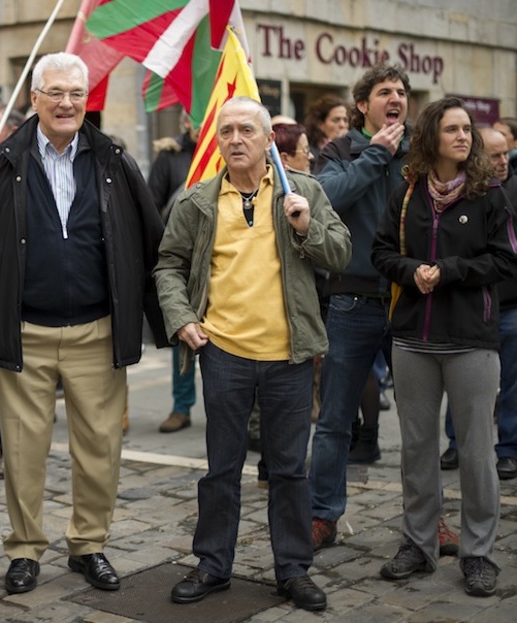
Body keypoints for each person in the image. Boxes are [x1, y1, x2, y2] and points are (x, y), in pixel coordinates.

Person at [0, 52, 168, 596]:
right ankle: (24, 550)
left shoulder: (114, 158)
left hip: (97, 330)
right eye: (56, 92)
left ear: (88, 99)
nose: (67, 103)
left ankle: (89, 544)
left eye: (77, 94)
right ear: (34, 98)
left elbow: (149, 240)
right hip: (23, 334)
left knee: (100, 447)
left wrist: (164, 317)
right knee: (20, 449)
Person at [155, 96, 350, 613]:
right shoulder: (196, 201)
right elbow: (168, 266)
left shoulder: (301, 190)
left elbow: (341, 254)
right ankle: (213, 565)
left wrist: (306, 226)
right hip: (224, 354)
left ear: (269, 140)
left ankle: (293, 569)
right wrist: (182, 319)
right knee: (221, 468)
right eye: (226, 131)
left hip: (288, 355)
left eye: (246, 130)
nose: (235, 139)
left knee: (289, 471)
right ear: (215, 141)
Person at [306, 64, 460, 552]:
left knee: (419, 421)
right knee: (333, 418)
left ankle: (429, 521)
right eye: (384, 92)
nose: (395, 98)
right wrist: (376, 155)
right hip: (353, 302)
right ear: (363, 105)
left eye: (401, 92)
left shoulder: (423, 149)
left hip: (412, 300)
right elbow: (327, 198)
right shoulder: (342, 149)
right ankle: (322, 515)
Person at [371, 97, 517, 597]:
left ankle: (478, 553)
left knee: (477, 452)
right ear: (431, 135)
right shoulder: (407, 193)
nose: (463, 137)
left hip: (471, 342)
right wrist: (413, 272)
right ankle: (418, 543)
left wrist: (449, 272)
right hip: (413, 339)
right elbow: (381, 252)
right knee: (416, 450)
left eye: (467, 130)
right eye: (452, 129)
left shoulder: (490, 196)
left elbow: (506, 262)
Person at [439, 127, 517, 481]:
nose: (501, 162)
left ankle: (509, 448)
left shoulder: (509, 189)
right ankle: (456, 442)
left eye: (506, 154)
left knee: (512, 380)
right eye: (493, 155)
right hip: (470, 302)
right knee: (461, 378)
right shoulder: (467, 191)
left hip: (511, 304)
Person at [147, 111, 201, 434]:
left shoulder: (222, 150)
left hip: (218, 256)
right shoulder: (169, 157)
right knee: (182, 333)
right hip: (181, 257)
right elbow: (152, 204)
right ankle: (181, 407)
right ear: (184, 122)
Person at [303, 94, 349, 171]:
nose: (342, 125)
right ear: (320, 124)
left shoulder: (352, 148)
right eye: (336, 120)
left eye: (345, 120)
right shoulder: (309, 153)